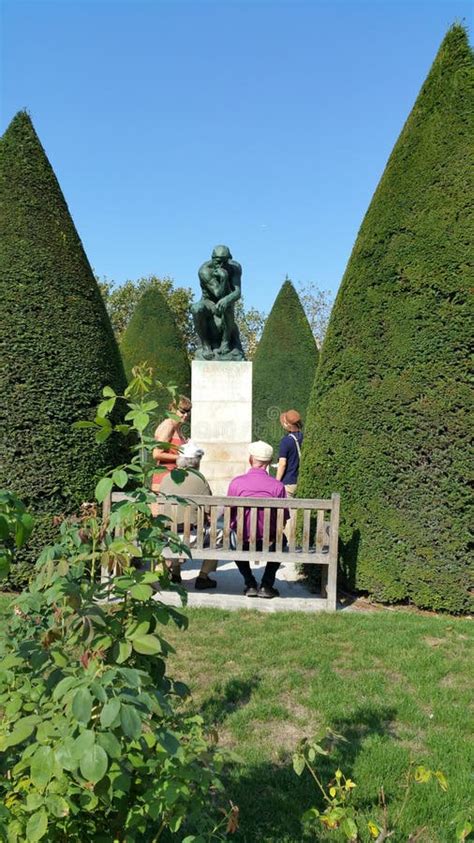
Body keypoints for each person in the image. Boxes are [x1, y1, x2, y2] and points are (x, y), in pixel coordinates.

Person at [228, 441, 288, 599]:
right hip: (268, 542)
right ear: (269, 462)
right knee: (283, 540)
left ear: (250, 459)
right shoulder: (278, 486)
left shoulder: (237, 484)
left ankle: (250, 583)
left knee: (230, 539)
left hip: (243, 541)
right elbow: (283, 519)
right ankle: (267, 585)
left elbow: (230, 516)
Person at [159, 442, 218, 590]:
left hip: (166, 535)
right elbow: (209, 509)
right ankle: (203, 577)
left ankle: (175, 573)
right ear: (197, 462)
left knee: (176, 526)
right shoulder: (200, 480)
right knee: (218, 536)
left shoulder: (166, 478)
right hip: (190, 537)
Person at [191, 245, 245, 360]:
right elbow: (217, 294)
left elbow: (238, 292)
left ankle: (225, 343)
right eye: (218, 262)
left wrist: (227, 299)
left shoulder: (235, 267)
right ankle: (206, 346)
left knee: (227, 304)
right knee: (196, 308)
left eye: (224, 262)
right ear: (212, 258)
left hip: (226, 304)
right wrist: (224, 278)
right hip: (208, 303)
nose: (221, 265)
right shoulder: (204, 271)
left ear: (229, 259)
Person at [151, 396, 191, 492]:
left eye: (188, 412)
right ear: (173, 409)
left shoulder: (177, 428)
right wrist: (181, 458)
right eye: (182, 412)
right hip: (164, 478)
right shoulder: (168, 426)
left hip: (174, 478)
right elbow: (156, 454)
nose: (185, 415)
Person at [276, 410, 303, 496]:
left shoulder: (286, 441)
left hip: (289, 482)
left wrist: (276, 482)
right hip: (302, 481)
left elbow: (282, 464)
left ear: (287, 425)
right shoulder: (305, 437)